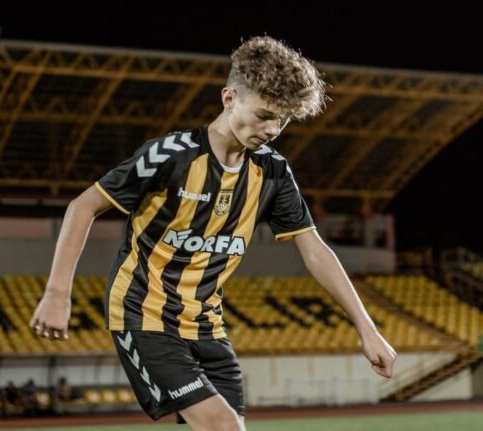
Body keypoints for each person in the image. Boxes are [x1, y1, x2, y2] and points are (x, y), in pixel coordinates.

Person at [30, 35, 396, 431]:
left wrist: (368, 330)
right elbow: (82, 206)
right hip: (144, 317)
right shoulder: (169, 155)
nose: (272, 129)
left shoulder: (273, 171)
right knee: (225, 427)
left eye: (283, 120)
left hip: (209, 327)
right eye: (263, 115)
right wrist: (57, 293)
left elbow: (315, 251)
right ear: (229, 98)